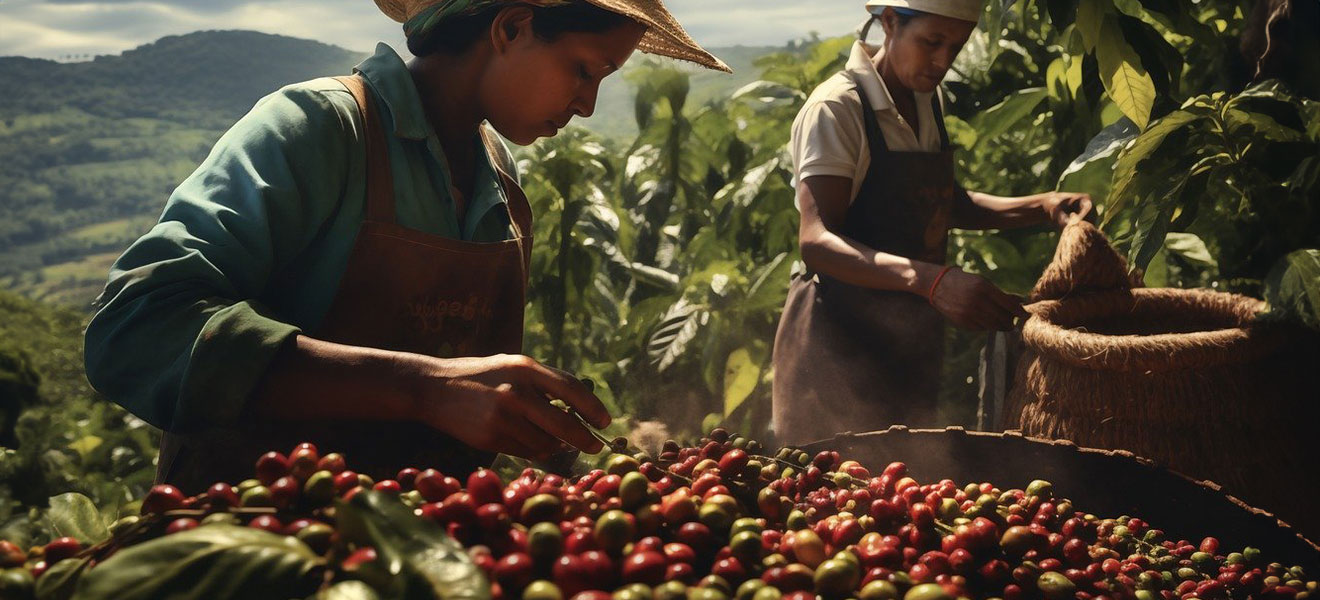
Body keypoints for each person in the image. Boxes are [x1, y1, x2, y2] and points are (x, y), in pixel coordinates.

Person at [84, 0, 730, 492]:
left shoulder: (497, 175)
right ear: (510, 29)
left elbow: (462, 374)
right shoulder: (320, 128)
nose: (587, 105)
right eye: (585, 71)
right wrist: (421, 387)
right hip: (254, 541)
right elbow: (136, 329)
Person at [771, 0, 1092, 446]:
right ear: (889, 23)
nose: (943, 61)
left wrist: (1041, 206)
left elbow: (940, 202)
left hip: (905, 338)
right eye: (932, 42)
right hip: (835, 344)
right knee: (830, 493)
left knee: (905, 485)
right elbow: (818, 241)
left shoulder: (924, 98)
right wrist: (934, 281)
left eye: (956, 46)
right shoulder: (838, 109)